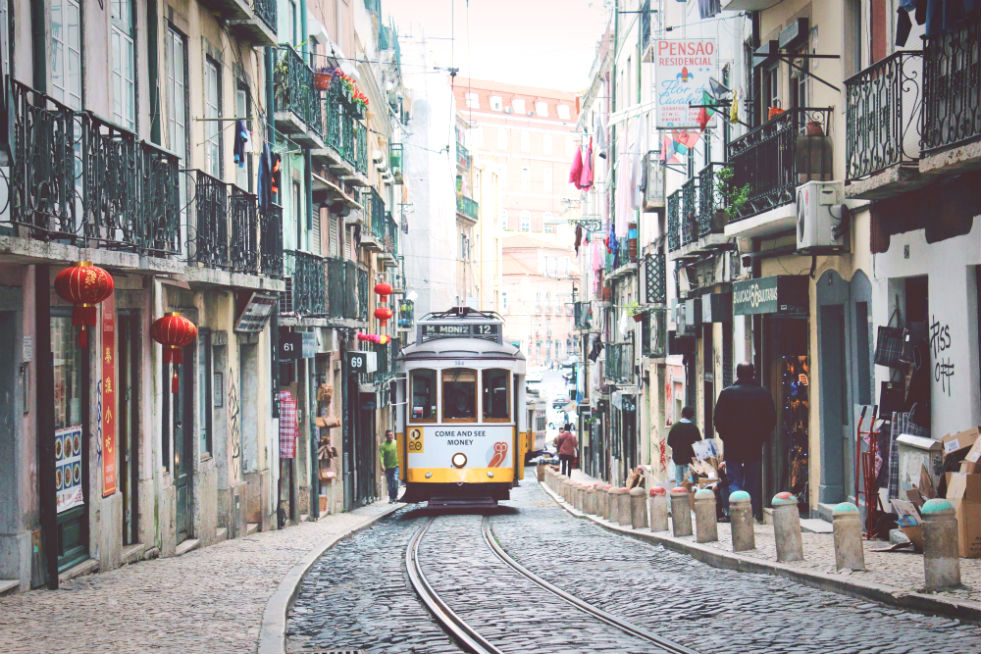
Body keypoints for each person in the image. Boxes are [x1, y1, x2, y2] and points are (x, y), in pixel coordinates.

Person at [713, 362, 776, 521]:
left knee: (734, 479)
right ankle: (750, 513)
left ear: (737, 374)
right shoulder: (763, 394)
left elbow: (718, 419)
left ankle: (737, 511)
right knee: (752, 480)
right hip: (754, 445)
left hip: (732, 445)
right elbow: (771, 419)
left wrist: (725, 436)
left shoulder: (727, 393)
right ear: (753, 373)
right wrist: (761, 437)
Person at [667, 406, 701, 485]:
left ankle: (679, 495)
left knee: (679, 480)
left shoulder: (675, 427)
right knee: (688, 481)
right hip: (690, 459)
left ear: (681, 414)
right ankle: (688, 495)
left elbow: (669, 442)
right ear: (692, 416)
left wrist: (677, 447)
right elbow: (699, 444)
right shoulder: (694, 428)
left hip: (678, 458)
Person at [379, 429, 400, 503]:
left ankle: (395, 496)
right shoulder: (383, 446)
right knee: (390, 484)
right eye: (389, 435)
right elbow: (381, 456)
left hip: (396, 466)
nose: (390, 436)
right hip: (388, 467)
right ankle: (391, 497)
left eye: (391, 435)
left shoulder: (396, 443)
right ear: (386, 436)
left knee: (395, 480)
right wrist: (382, 465)